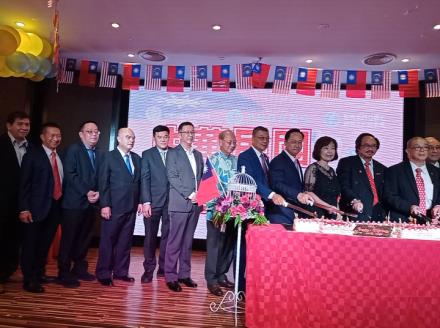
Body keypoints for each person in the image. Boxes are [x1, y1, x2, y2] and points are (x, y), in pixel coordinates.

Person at [237, 126, 289, 293]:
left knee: (257, 249)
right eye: (261, 138)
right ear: (252, 138)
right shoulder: (245, 156)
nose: (264, 141)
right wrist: (272, 194)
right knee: (244, 248)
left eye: (267, 138)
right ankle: (240, 286)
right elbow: (252, 182)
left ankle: (253, 284)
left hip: (264, 209)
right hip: (249, 209)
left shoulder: (265, 158)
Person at [19, 123, 63, 293]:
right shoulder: (32, 155)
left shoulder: (59, 156)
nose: (56, 138)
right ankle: (28, 280)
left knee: (44, 245)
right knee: (31, 245)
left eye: (58, 135)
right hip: (35, 210)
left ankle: (39, 274)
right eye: (52, 135)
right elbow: (24, 184)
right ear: (43, 137)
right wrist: (24, 208)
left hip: (54, 208)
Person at [57, 121, 102, 288]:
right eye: (89, 131)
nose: (93, 134)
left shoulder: (99, 153)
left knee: (84, 240)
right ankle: (63, 273)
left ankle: (79, 269)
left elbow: (100, 177)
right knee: (69, 240)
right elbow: (70, 174)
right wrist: (87, 192)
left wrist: (98, 193)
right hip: (74, 204)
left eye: (96, 131)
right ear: (81, 134)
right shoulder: (73, 150)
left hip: (91, 204)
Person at [96, 128, 142, 286]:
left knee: (125, 241)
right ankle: (103, 273)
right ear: (118, 139)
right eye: (128, 137)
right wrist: (105, 205)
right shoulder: (108, 157)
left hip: (131, 207)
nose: (131, 140)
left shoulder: (137, 158)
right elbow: (103, 183)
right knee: (108, 241)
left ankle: (121, 272)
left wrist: (141, 202)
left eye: (133, 137)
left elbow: (138, 183)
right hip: (113, 207)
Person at [165, 122, 204, 292]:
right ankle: (171, 276)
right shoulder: (173, 153)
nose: (189, 135)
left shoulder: (198, 154)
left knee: (188, 242)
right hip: (180, 203)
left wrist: (201, 196)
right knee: (175, 242)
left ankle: (184, 274)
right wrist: (190, 194)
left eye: (192, 132)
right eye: (186, 132)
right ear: (179, 134)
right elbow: (172, 177)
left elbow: (201, 178)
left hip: (195, 205)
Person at [0, 111, 31, 294]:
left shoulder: (31, 146)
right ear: (8, 125)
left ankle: (8, 271)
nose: (24, 128)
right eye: (20, 124)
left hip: (21, 204)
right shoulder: (1, 144)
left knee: (14, 240)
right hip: (3, 203)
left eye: (27, 124)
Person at [204, 130, 237, 296]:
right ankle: (211, 280)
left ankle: (222, 274)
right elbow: (209, 188)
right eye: (229, 142)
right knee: (215, 246)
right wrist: (216, 209)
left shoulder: (236, 160)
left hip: (234, 212)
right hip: (217, 212)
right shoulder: (212, 160)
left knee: (228, 246)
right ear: (220, 141)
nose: (232, 145)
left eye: (234, 142)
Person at [140, 125, 171, 283]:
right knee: (150, 237)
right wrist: (145, 201)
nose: (163, 139)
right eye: (160, 137)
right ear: (154, 138)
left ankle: (163, 268)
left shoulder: (174, 153)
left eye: (165, 136)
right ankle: (148, 270)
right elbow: (144, 178)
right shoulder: (147, 154)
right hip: (153, 202)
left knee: (168, 237)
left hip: (171, 203)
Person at [384, 137, 440, 223]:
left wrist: (438, 205)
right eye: (418, 147)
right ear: (407, 151)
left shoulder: (436, 171)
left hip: (431, 220)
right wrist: (409, 207)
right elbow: (390, 196)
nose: (422, 150)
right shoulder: (395, 171)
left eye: (425, 147)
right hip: (404, 219)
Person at [268, 128, 315, 224]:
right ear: (285, 143)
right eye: (293, 142)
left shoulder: (295, 161)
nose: (297, 145)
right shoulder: (278, 161)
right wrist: (298, 195)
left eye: (299, 142)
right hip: (281, 212)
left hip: (294, 211)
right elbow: (277, 184)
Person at [336, 133, 387, 221]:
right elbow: (344, 186)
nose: (370, 149)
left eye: (374, 146)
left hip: (378, 216)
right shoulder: (347, 163)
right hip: (355, 212)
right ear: (358, 147)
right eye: (366, 145)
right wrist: (354, 200)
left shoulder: (382, 168)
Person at [304, 136, 341, 218]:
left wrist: (336, 210)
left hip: (331, 213)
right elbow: (308, 192)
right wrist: (327, 206)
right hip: (316, 213)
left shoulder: (332, 171)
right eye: (326, 148)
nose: (330, 151)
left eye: (333, 148)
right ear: (318, 150)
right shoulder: (313, 168)